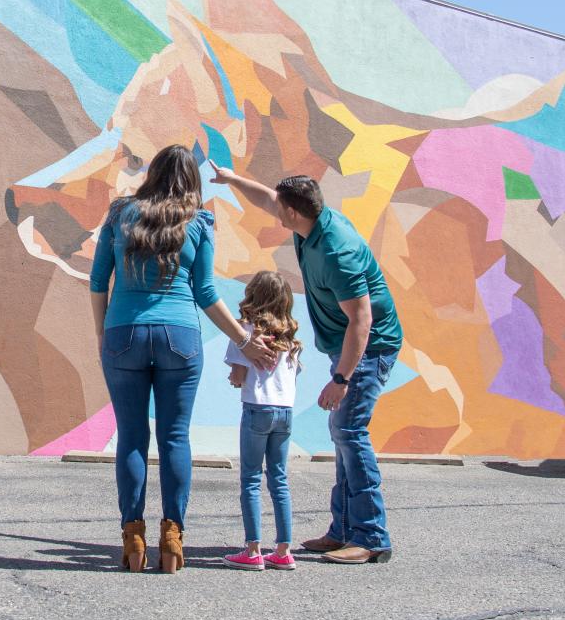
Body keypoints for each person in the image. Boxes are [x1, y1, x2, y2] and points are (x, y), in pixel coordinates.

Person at [90, 145, 275, 573]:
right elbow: (206, 294)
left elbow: (99, 281)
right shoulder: (199, 221)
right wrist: (245, 341)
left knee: (132, 437)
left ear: (152, 174)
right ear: (192, 179)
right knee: (175, 437)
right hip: (179, 336)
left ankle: (132, 538)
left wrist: (102, 333)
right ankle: (172, 539)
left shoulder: (120, 215)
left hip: (124, 333)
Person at [209, 164, 403, 564]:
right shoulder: (308, 224)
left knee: (349, 430)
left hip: (369, 347)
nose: (273, 208)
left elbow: (361, 320)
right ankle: (343, 530)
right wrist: (232, 179)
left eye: (280, 206)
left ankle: (371, 537)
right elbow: (267, 197)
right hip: (346, 346)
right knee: (342, 433)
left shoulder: (337, 250)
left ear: (294, 212)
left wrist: (341, 378)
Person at [222, 271, 302, 572]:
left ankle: (253, 549)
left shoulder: (246, 331)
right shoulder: (290, 338)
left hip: (256, 409)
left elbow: (238, 375)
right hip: (285, 412)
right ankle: (283, 550)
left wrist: (234, 376)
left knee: (251, 479)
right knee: (279, 480)